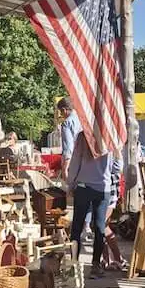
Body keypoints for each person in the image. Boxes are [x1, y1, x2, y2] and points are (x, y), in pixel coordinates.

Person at [67, 133, 119, 279]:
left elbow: (75, 163)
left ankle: (74, 263)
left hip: (83, 186)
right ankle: (95, 265)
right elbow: (117, 166)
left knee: (77, 227)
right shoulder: (109, 135)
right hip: (103, 187)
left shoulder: (83, 137)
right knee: (100, 227)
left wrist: (70, 184)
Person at [57, 97, 92, 239]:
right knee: (88, 193)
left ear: (65, 110)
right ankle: (87, 225)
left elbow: (68, 147)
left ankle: (78, 227)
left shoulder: (67, 123)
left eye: (61, 112)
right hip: (89, 160)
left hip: (76, 161)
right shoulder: (83, 119)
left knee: (77, 194)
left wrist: (65, 167)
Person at [101, 155, 128, 271]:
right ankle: (109, 259)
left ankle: (116, 258)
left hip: (108, 188)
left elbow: (118, 167)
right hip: (103, 188)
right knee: (101, 226)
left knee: (101, 225)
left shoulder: (112, 147)